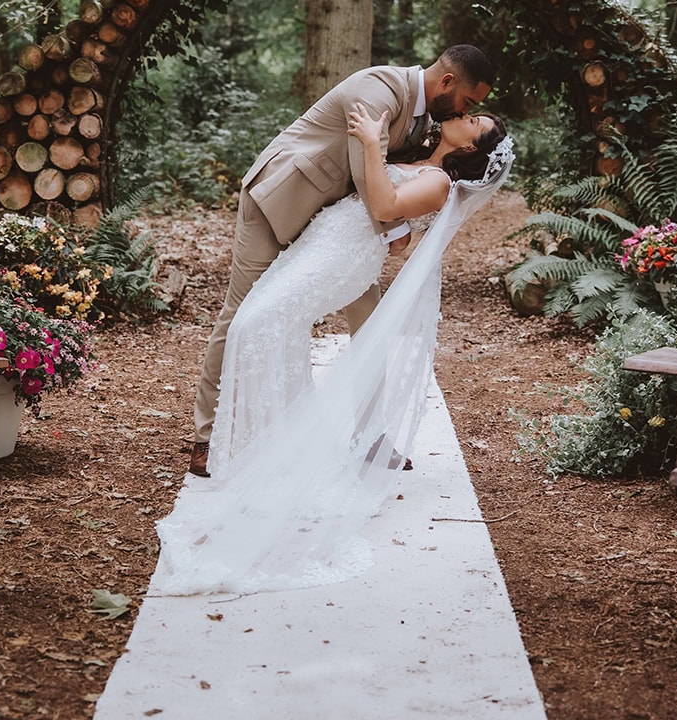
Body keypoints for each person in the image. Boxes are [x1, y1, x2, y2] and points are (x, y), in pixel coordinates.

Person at [154, 108, 514, 596]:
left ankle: (275, 459)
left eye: (476, 124)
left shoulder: (438, 183)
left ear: (471, 149)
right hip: (323, 240)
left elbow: (386, 208)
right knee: (254, 327)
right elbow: (394, 231)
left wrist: (370, 143)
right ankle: (272, 452)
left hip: (343, 256)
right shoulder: (415, 157)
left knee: (259, 326)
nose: (466, 117)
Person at [185, 46, 494, 476]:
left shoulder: (429, 120)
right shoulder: (379, 88)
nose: (466, 111)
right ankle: (207, 436)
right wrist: (396, 230)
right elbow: (364, 166)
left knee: (371, 324)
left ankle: (369, 436)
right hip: (280, 200)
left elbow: (401, 172)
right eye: (469, 102)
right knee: (243, 312)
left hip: (336, 229)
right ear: (447, 83)